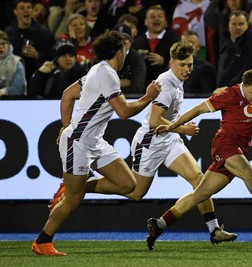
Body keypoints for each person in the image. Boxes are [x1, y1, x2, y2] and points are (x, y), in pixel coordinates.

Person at [47, 39, 237, 250]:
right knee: (136, 192)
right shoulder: (166, 85)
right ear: (171, 63)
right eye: (182, 64)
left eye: (190, 64)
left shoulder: (176, 82)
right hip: (150, 142)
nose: (187, 69)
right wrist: (183, 128)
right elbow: (155, 121)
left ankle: (214, 229)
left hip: (169, 139)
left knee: (198, 179)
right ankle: (77, 187)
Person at [147, 68, 252, 250]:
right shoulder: (229, 95)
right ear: (244, 86)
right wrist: (174, 126)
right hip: (224, 144)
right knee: (249, 174)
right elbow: (199, 109)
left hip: (240, 149)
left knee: (199, 194)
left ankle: (159, 224)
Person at [31, 31, 161, 256]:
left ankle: (78, 186)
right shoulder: (107, 74)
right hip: (79, 143)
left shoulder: (98, 70)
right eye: (125, 52)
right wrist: (148, 97)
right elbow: (123, 111)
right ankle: (42, 241)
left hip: (95, 142)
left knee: (128, 184)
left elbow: (67, 94)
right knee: (73, 200)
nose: (125, 56)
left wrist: (65, 125)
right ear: (119, 53)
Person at [5, 0, 55, 81]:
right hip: (12, 78)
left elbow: (52, 58)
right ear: (15, 12)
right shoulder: (8, 32)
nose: (26, 10)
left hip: (37, 79)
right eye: (22, 8)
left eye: (29, 7)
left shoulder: (44, 33)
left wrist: (37, 55)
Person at [132, 5, 180, 86]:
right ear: (146, 21)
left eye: (160, 16)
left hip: (168, 87)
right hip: (142, 88)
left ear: (165, 22)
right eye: (152, 16)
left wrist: (165, 62)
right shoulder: (137, 42)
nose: (156, 19)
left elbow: (181, 63)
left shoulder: (175, 41)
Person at [217, 10, 252, 87]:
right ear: (228, 25)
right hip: (225, 89)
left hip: (246, 89)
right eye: (234, 24)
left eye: (241, 24)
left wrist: (230, 87)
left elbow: (251, 70)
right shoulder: (225, 40)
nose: (238, 27)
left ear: (247, 24)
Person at [113, 23, 147, 94]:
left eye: (125, 38)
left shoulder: (137, 58)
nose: (122, 41)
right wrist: (120, 83)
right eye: (118, 38)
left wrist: (110, 86)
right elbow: (96, 85)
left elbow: (137, 88)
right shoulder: (103, 56)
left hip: (130, 100)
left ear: (131, 40)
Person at [181, 30, 216, 95]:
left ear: (198, 47)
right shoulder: (172, 65)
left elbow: (207, 95)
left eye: (192, 43)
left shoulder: (206, 68)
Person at [0, 30, 26, 97]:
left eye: (3, 43)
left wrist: (4, 91)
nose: (1, 46)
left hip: (12, 102)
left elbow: (19, 90)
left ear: (9, 45)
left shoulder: (17, 63)